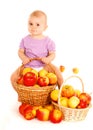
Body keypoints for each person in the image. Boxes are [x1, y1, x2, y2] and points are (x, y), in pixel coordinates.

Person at [10, 10, 63, 89]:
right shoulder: (25, 40)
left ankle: (61, 92)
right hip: (28, 67)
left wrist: (48, 59)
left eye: (37, 25)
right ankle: (22, 95)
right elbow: (20, 52)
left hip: (44, 66)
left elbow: (53, 54)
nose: (33, 27)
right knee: (13, 77)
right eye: (30, 24)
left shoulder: (48, 41)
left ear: (45, 27)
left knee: (58, 74)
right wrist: (24, 58)